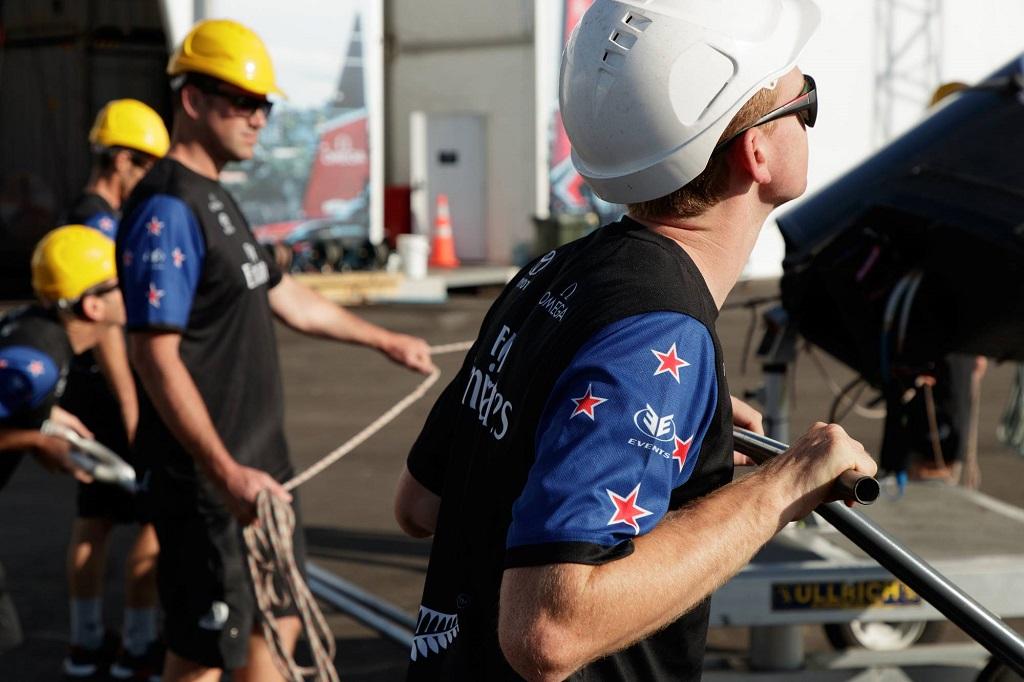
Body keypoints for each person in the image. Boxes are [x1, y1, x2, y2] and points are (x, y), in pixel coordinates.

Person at [394, 1, 877, 679]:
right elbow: (546, 633)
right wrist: (781, 487)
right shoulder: (656, 330)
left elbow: (422, 502)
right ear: (757, 152)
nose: (810, 115)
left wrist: (671, 437)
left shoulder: (557, 271)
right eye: (807, 100)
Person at [115, 19, 435, 681]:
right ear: (192, 99)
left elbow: (283, 296)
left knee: (278, 618)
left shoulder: (219, 200)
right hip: (211, 478)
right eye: (242, 100)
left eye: (264, 103)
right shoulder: (167, 209)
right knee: (202, 655)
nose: (258, 117)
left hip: (262, 467)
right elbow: (154, 355)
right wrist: (225, 473)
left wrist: (386, 340)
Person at [61, 98, 170, 681]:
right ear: (121, 159)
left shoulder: (84, 216)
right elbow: (108, 328)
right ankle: (138, 645)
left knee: (95, 521)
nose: (150, 177)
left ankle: (83, 644)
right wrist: (135, 409)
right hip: (115, 390)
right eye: (146, 164)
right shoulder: (98, 225)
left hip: (85, 392)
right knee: (151, 519)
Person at [0, 226, 126, 662]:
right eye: (119, 284)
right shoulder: (35, 365)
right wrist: (38, 440)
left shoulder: (36, 329)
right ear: (93, 305)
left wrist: (47, 419)